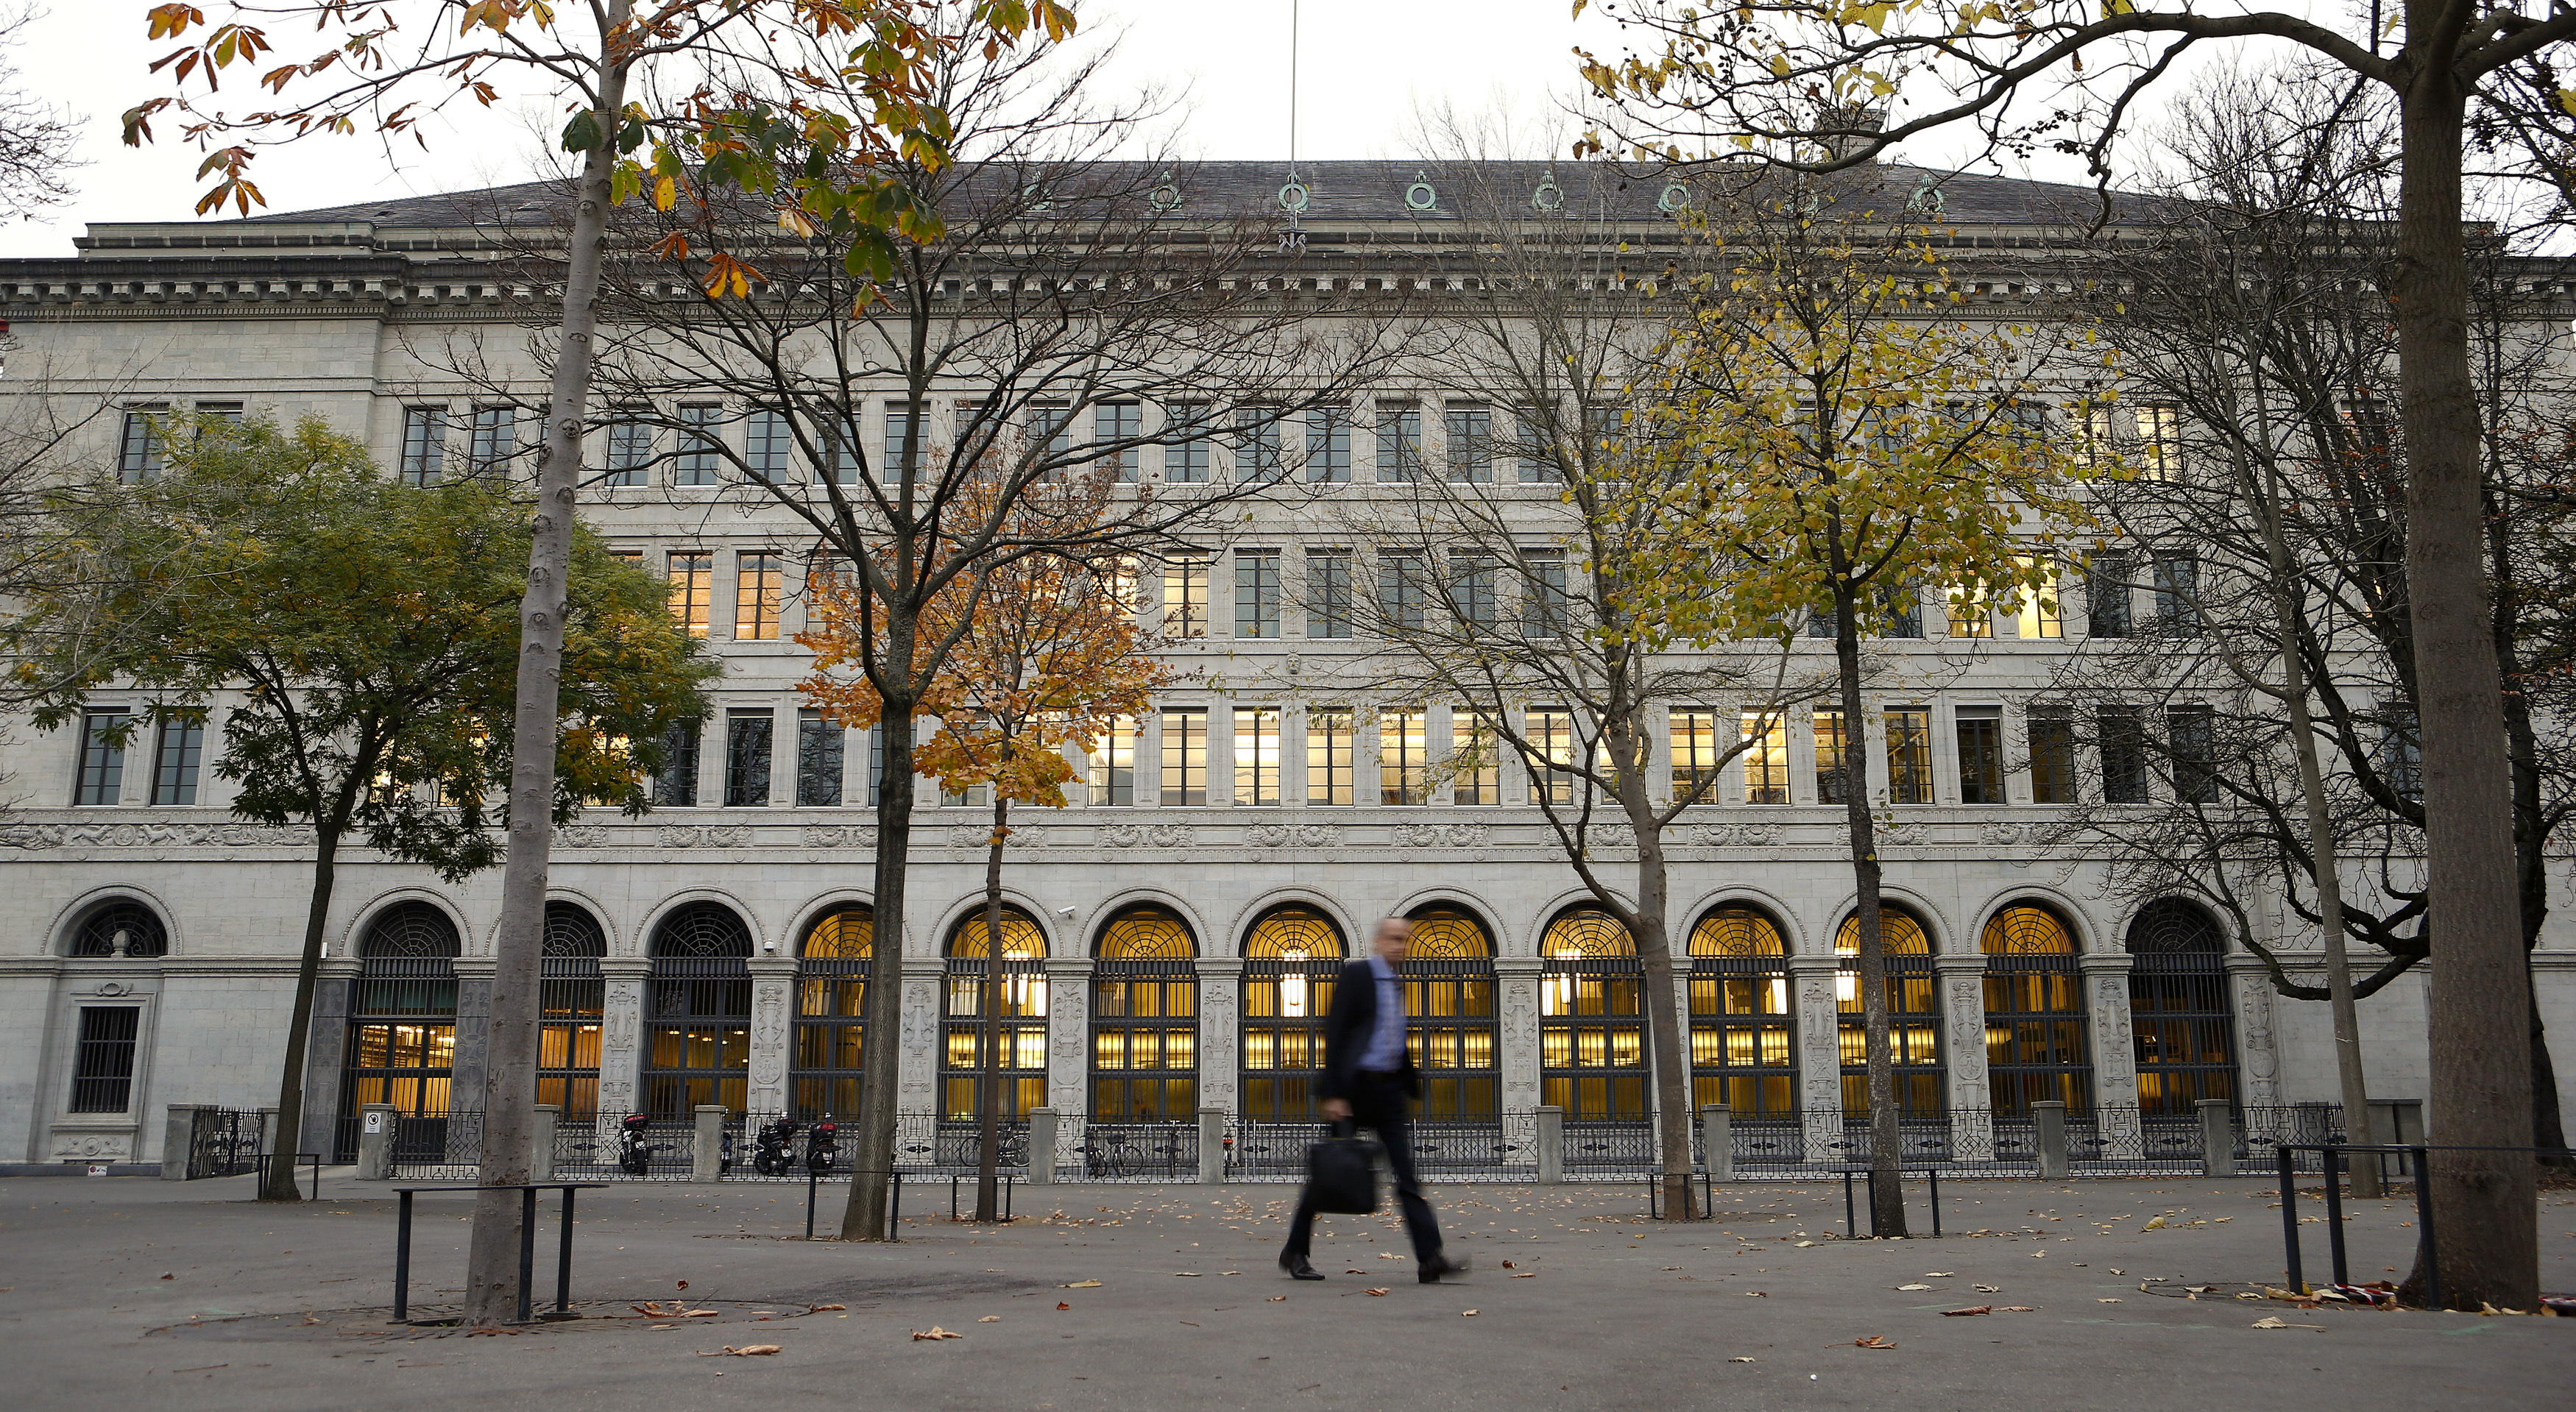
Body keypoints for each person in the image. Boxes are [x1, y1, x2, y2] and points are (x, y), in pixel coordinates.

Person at [1278, 915, 1471, 1285]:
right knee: (1328, 1174)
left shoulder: (1397, 984)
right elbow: (1335, 1031)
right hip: (1353, 1091)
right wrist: (1334, 1092)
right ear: (1379, 942)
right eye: (1394, 939)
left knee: (1407, 1176)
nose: (1400, 946)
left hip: (1388, 1093)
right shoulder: (1358, 976)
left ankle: (1430, 1257)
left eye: (1405, 940)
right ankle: (1295, 1251)